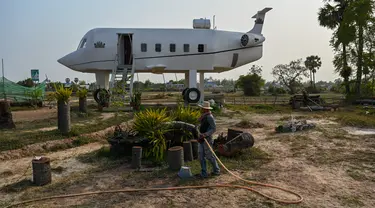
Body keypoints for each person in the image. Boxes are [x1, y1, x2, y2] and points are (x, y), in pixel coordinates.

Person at [196, 101, 220, 178]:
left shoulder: (210, 117)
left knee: (209, 156)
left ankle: (216, 170)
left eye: (202, 108)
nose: (201, 109)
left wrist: (205, 134)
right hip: (201, 139)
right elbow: (201, 125)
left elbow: (214, 129)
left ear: (205, 109)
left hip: (207, 139)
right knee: (201, 156)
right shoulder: (203, 116)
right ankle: (204, 173)